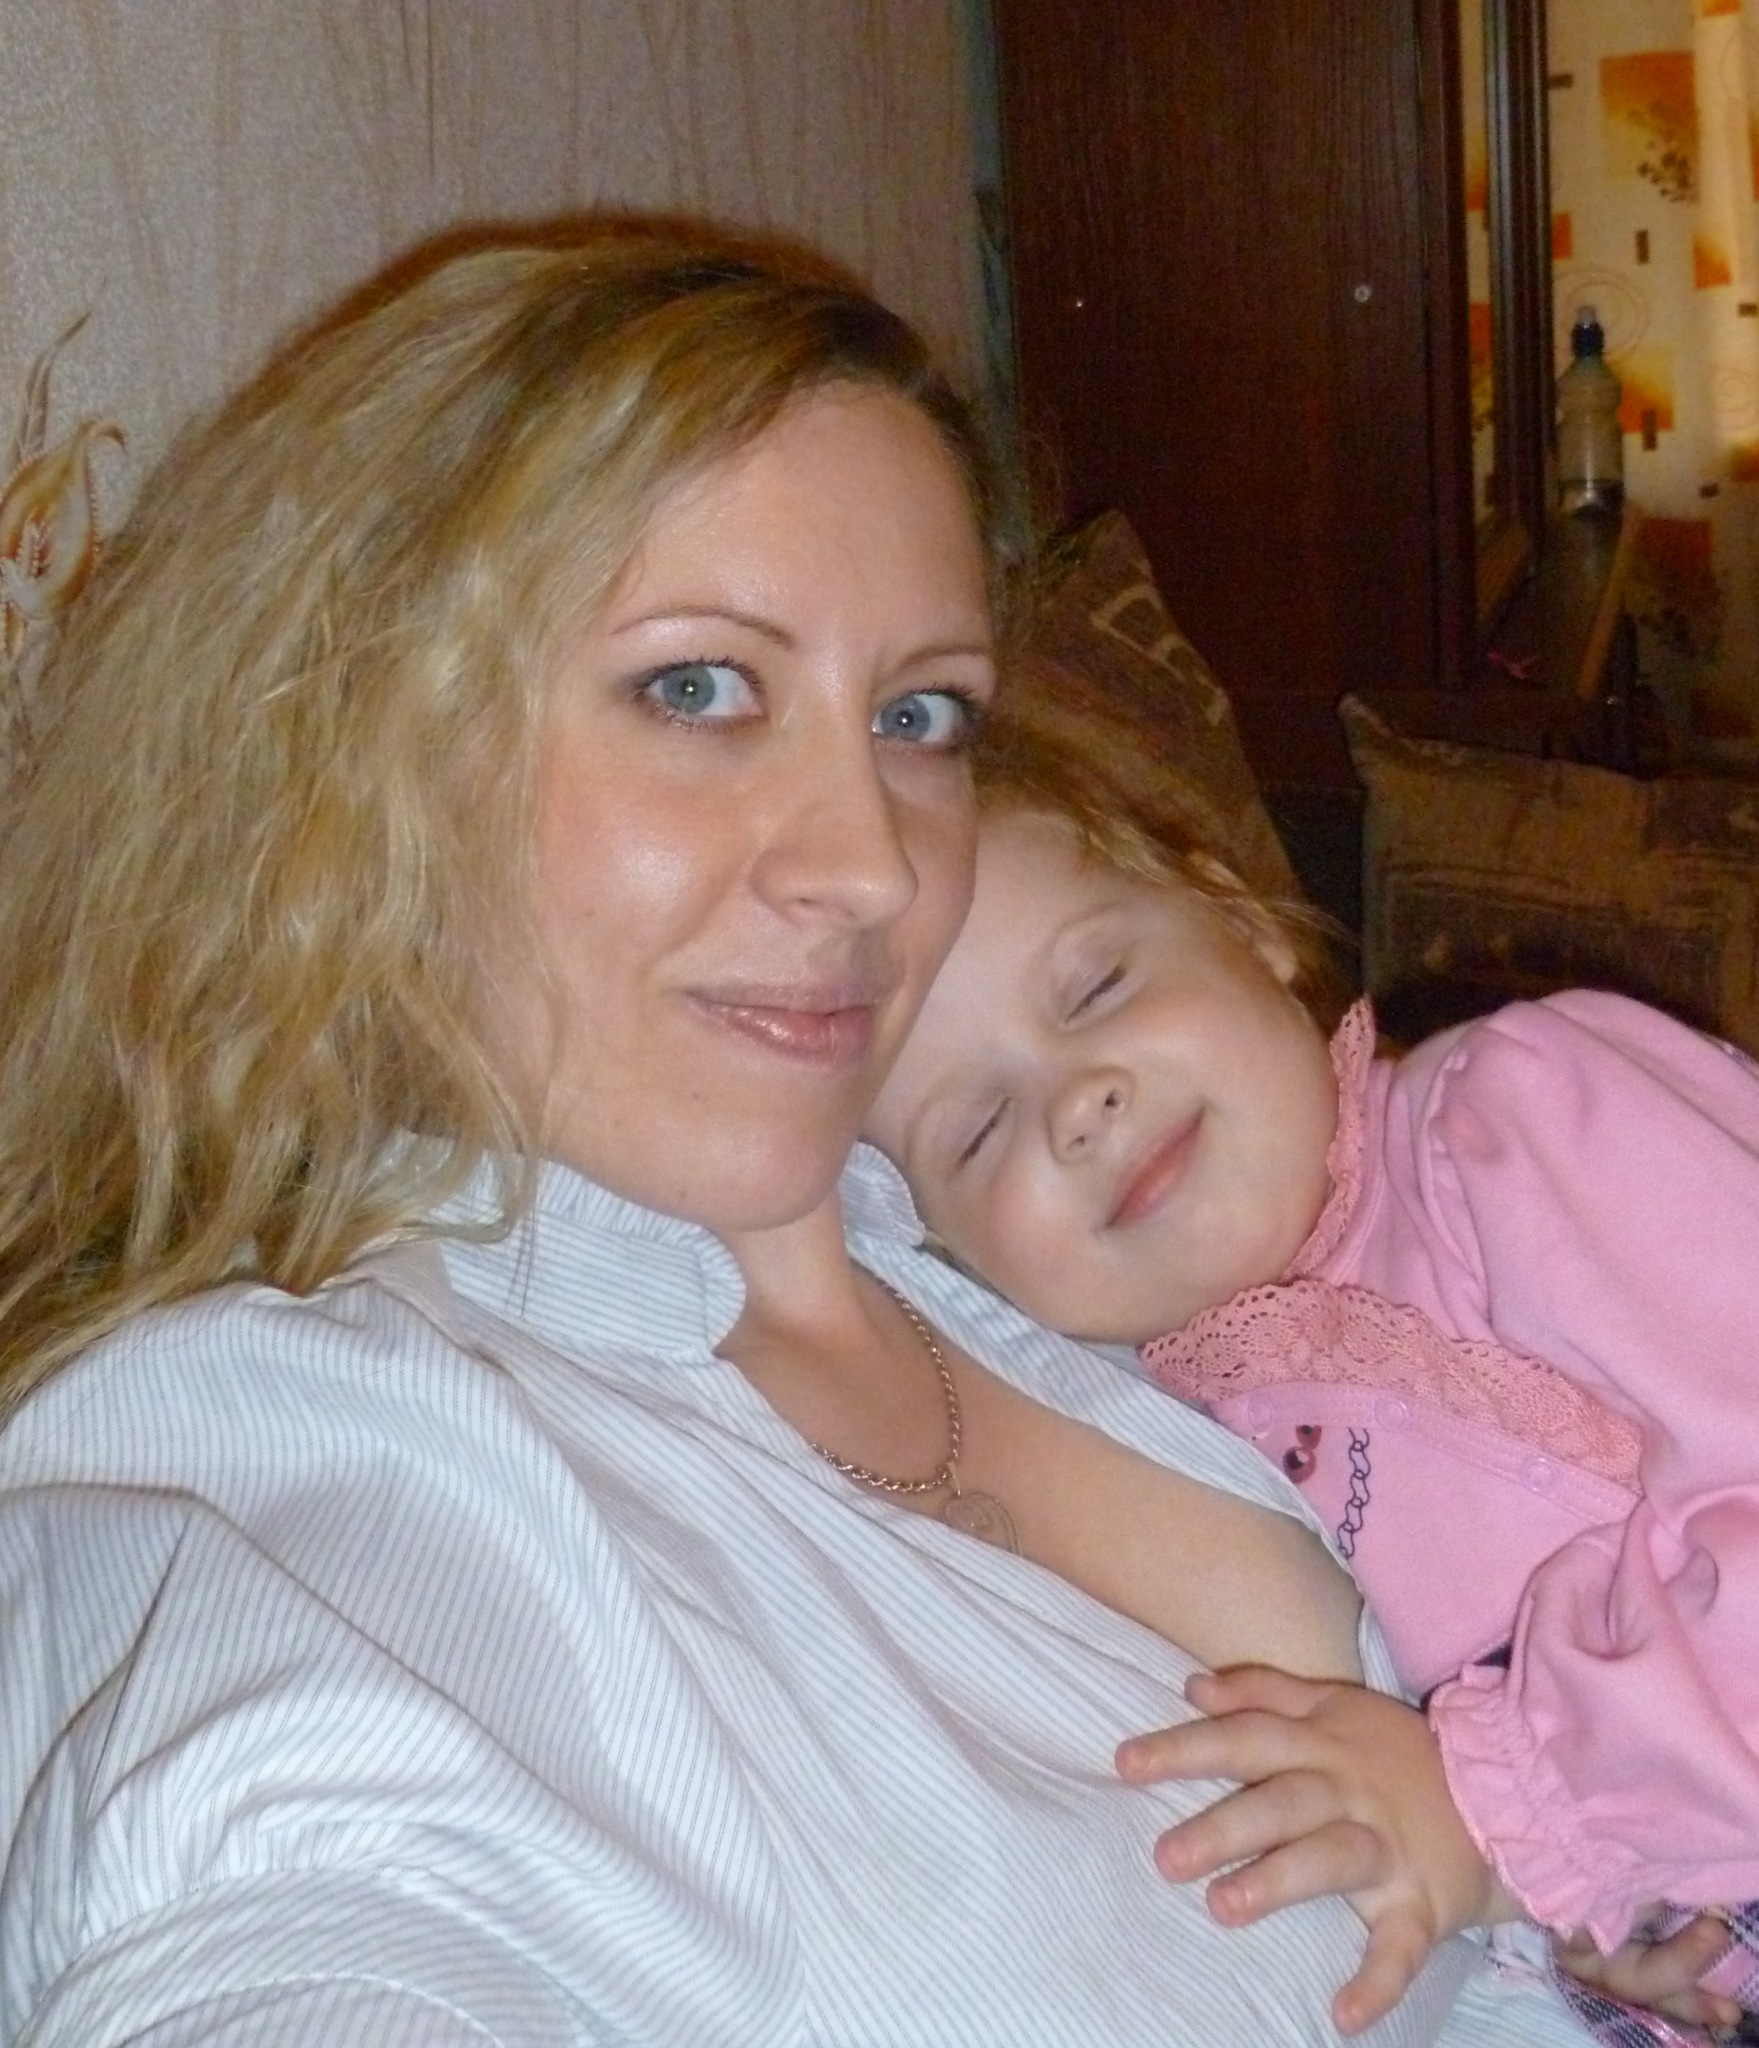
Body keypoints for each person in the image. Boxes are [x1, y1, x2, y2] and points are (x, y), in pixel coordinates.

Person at [0, 220, 1588, 2048]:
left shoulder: (975, 1217)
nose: (873, 863)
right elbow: (277, 1895)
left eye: (920, 715)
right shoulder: (284, 1461)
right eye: (698, 688)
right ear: (360, 751)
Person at [866, 664, 1759, 2045]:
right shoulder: (1170, 1449)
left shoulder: (1517, 1117)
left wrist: (1493, 1814)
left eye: (1097, 985)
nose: (1081, 1105)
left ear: (1245, 928)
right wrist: (1610, 1933)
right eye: (977, 1131)